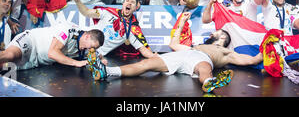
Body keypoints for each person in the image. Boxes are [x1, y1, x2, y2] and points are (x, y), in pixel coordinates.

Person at [86, 12, 263, 93]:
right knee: (146, 64)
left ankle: (209, 83)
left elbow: (252, 60)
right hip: (187, 53)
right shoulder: (198, 45)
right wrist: (181, 23)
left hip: (202, 59)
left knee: (204, 69)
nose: (213, 32)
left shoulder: (226, 52)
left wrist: (267, 49)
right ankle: (106, 71)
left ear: (223, 37)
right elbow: (174, 44)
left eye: (217, 32)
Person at [0, 22, 105, 82]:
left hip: (35, 61)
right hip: (31, 41)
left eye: (93, 48)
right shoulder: (69, 30)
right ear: (87, 34)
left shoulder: (85, 45)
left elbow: (93, 57)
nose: (87, 49)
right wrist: (77, 63)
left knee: (1, 66)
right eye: (89, 45)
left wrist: (100, 59)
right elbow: (53, 53)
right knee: (10, 55)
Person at [73, 0, 155, 58]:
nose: (129, 3)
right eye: (127, 1)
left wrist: (157, 59)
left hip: (94, 56)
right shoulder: (108, 12)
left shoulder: (133, 29)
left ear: (136, 7)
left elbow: (143, 48)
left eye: (132, 2)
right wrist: (77, 1)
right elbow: (87, 12)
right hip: (80, 41)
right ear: (123, 4)